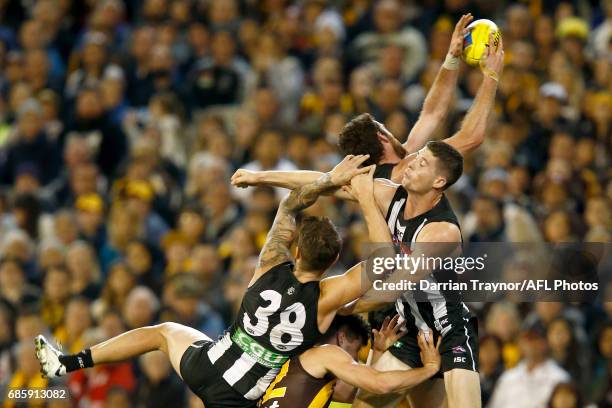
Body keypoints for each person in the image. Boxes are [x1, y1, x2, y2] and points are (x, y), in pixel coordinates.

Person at [34, 155, 390, 408]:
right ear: (330, 263)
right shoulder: (328, 295)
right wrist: (366, 199)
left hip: (206, 365)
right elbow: (384, 262)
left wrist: (329, 180)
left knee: (162, 332)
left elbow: (291, 204)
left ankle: (69, 362)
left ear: (296, 251)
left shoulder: (268, 264)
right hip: (240, 397)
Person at [232, 140, 483, 407]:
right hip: (409, 327)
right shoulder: (391, 195)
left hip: (449, 329)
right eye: (416, 156)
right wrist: (260, 178)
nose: (410, 164)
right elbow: (325, 182)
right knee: (364, 405)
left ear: (439, 181)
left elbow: (392, 287)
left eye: (422, 164)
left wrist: (346, 307)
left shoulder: (441, 232)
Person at [340, 14, 501, 183]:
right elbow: (471, 137)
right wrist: (491, 76)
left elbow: (432, 112)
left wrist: (452, 57)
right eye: (384, 127)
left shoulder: (393, 170)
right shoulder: (413, 168)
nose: (389, 131)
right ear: (382, 138)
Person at [259, 314, 441, 408]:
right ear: (342, 338)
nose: (354, 360)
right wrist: (430, 368)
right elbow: (379, 384)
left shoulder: (302, 362)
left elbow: (357, 395)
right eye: (354, 353)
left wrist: (376, 352)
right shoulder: (327, 354)